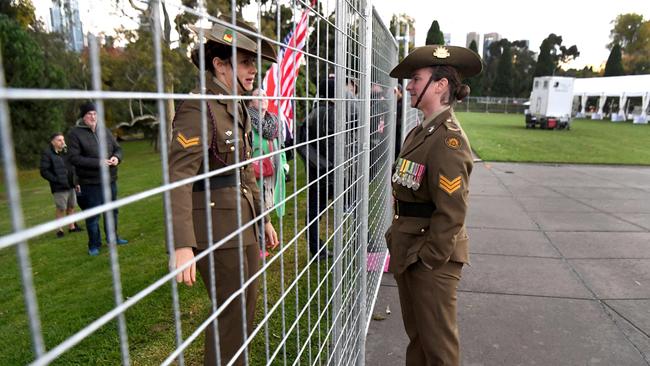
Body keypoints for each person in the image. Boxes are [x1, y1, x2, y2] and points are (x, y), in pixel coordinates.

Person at [169, 19, 279, 366]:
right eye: (245, 62)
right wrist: (182, 244)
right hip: (216, 229)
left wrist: (262, 219)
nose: (253, 72)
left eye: (254, 63)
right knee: (232, 314)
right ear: (219, 63)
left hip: (241, 221)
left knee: (242, 311)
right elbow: (178, 176)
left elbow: (243, 171)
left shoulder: (234, 104)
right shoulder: (199, 107)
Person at [385, 45, 482, 366]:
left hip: (429, 257)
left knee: (439, 350)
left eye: (415, 78)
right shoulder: (421, 130)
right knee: (420, 341)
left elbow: (452, 212)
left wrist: (429, 261)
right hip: (411, 249)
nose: (409, 86)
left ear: (440, 85)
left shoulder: (448, 139)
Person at [67, 102, 128, 256]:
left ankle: (113, 238)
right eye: (89, 114)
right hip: (90, 183)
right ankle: (94, 245)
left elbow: (118, 148)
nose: (93, 117)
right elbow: (74, 158)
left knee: (112, 212)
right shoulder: (74, 134)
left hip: (110, 180)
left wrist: (116, 158)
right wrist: (98, 163)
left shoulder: (104, 131)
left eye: (95, 113)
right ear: (83, 117)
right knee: (93, 215)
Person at [298, 77, 336, 259]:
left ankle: (316, 247)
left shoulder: (313, 112)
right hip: (329, 172)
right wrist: (326, 165)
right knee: (317, 210)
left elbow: (302, 143)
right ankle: (316, 248)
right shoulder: (331, 113)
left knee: (315, 210)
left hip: (319, 172)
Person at [247, 88, 287, 258]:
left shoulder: (274, 121)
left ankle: (264, 241)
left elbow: (281, 146)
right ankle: (258, 246)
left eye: (265, 95)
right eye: (258, 96)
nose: (263, 98)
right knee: (256, 206)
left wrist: (284, 164)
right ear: (250, 102)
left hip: (272, 172)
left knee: (267, 204)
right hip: (254, 174)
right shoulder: (247, 120)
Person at [39, 132, 82, 237]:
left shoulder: (66, 152)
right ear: (53, 142)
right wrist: (56, 179)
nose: (63, 142)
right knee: (61, 208)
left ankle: (72, 227)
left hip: (71, 184)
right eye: (59, 140)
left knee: (71, 206)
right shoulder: (47, 153)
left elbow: (73, 168)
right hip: (59, 187)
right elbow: (44, 171)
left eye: (63, 140)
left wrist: (76, 182)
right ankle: (59, 230)